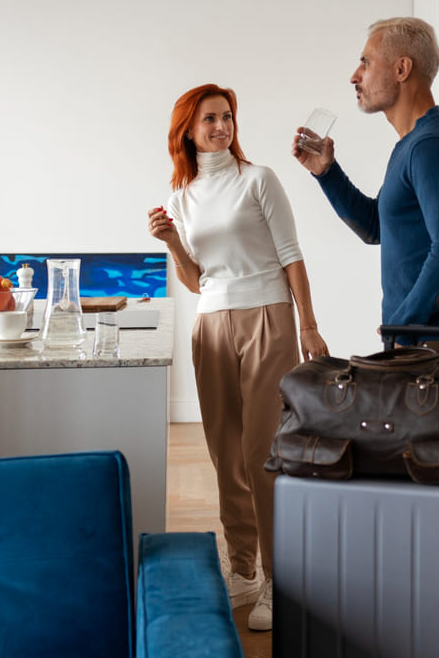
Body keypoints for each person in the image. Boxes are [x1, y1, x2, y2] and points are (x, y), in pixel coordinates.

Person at [148, 83, 328, 632]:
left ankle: (277, 578)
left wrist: (309, 326)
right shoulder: (181, 198)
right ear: (189, 130)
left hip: (268, 318)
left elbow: (292, 257)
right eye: (210, 119)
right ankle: (243, 569)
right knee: (224, 453)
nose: (221, 127)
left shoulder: (259, 180)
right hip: (212, 325)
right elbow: (197, 280)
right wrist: (173, 243)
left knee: (262, 454)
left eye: (227, 117)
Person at [292, 17, 439, 360]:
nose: (355, 75)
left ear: (402, 68)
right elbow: (376, 228)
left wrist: (404, 326)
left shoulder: (433, 146)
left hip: (435, 347)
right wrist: (327, 173)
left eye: (366, 62)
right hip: (419, 341)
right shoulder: (413, 144)